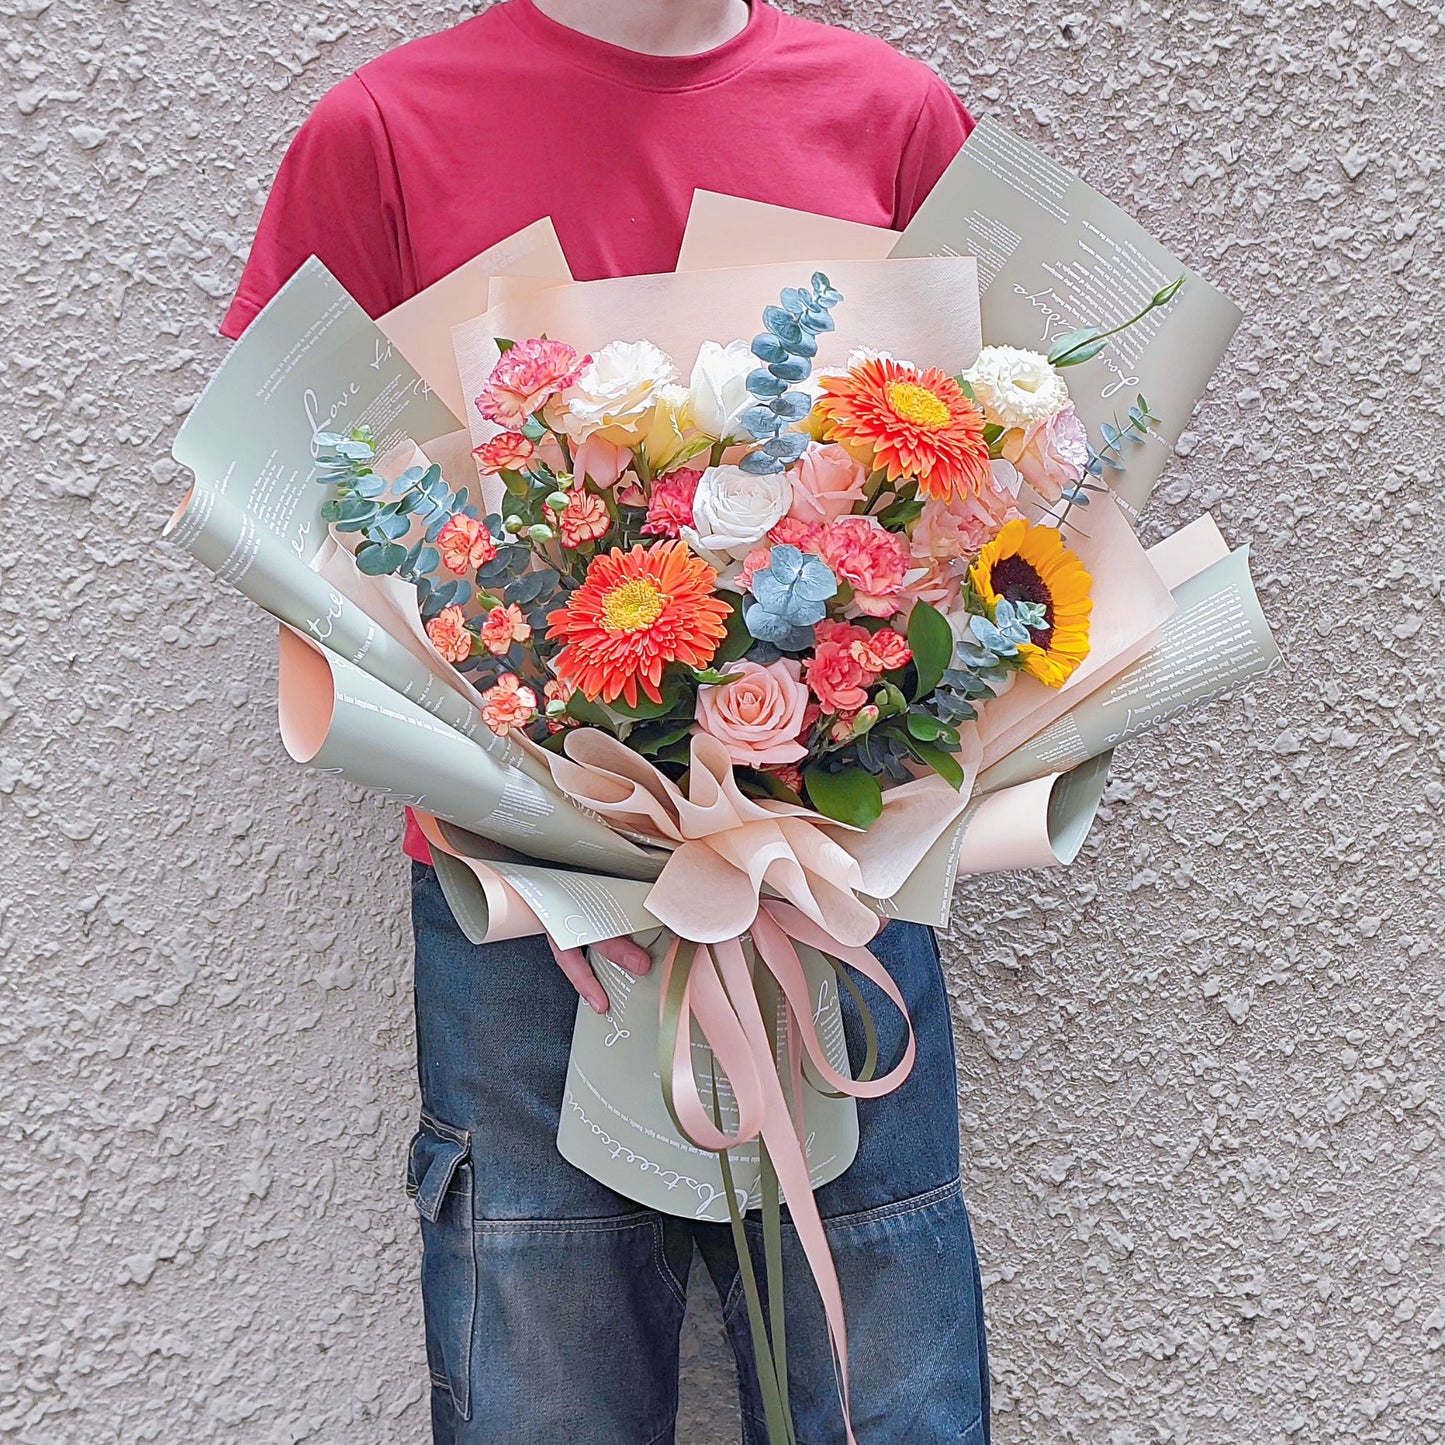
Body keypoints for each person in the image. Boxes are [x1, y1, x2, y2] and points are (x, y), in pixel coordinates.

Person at [221, 3, 989, 1441]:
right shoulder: (384, 137)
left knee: (884, 1400)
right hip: (521, 920)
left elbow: (983, 502)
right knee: (544, 1403)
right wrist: (550, 826)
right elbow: (295, 512)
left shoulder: (887, 121)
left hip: (828, 891)